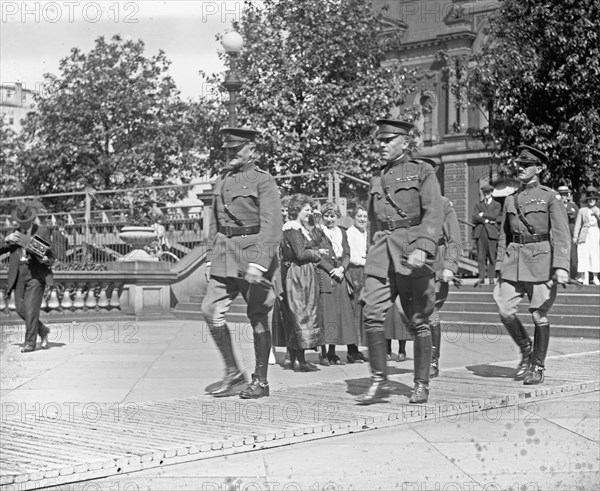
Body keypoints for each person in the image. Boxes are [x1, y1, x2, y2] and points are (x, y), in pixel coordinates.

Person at [357, 119, 443, 405]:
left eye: (387, 140)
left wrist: (423, 247)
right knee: (371, 311)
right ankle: (379, 379)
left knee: (420, 318)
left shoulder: (423, 170)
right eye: (379, 140)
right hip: (382, 251)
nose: (380, 145)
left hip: (412, 251)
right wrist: (371, 251)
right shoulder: (376, 176)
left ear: (404, 142)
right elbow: (373, 220)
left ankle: (421, 383)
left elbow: (433, 213)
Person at [201, 127, 283, 399]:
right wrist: (211, 258)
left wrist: (260, 263)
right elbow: (214, 223)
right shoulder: (222, 180)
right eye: (227, 150)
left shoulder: (264, 180)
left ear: (252, 150)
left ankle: (260, 381)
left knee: (258, 317)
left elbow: (272, 227)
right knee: (210, 310)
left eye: (237, 149)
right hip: (225, 253)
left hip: (252, 253)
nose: (231, 154)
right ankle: (234, 373)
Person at [493, 145, 571, 385]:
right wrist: (499, 265)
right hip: (513, 262)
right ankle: (526, 348)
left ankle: (537, 366)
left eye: (526, 165)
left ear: (539, 168)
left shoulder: (550, 196)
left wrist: (561, 266)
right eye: (519, 164)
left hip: (541, 262)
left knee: (538, 314)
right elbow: (504, 235)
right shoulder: (510, 200)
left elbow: (560, 232)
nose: (521, 168)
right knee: (504, 309)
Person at [419, 157, 463, 378]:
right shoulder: (408, 206)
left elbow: (454, 239)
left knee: (431, 313)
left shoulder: (444, 204)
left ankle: (432, 362)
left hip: (435, 265)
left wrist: (450, 266)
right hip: (411, 267)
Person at [277, 194, 325, 371]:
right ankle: (299, 360)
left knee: (300, 314)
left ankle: (295, 358)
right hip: (299, 275)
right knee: (301, 315)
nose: (309, 212)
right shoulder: (292, 228)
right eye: (307, 210)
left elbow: (315, 240)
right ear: (297, 210)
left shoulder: (299, 228)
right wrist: (316, 254)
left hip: (302, 274)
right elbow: (300, 254)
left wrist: (317, 222)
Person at [1, 202, 55, 352]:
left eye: (26, 222)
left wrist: (23, 240)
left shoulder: (42, 231)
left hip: (35, 275)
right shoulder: (14, 233)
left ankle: (29, 343)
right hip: (18, 275)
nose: (23, 225)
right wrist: (6, 240)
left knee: (31, 310)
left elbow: (49, 253)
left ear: (32, 220)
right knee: (20, 309)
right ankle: (42, 330)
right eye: (20, 223)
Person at [316, 202, 357, 366]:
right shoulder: (319, 233)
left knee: (339, 315)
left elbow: (347, 253)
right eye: (326, 216)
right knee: (327, 315)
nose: (329, 219)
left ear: (337, 216)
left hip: (340, 276)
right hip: (326, 276)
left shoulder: (342, 232)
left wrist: (341, 268)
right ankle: (323, 353)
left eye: (332, 216)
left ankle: (333, 352)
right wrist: (331, 269)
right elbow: (318, 256)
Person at [345, 204, 369, 363]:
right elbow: (351, 255)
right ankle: (351, 350)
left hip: (365, 273)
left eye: (364, 217)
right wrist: (367, 262)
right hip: (354, 272)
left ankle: (358, 349)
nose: (362, 219)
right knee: (353, 311)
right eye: (359, 216)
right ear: (354, 217)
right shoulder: (350, 233)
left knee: (363, 311)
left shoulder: (366, 233)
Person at [471, 184, 501, 287]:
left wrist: (482, 214)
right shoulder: (478, 205)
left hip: (491, 233)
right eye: (484, 193)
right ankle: (481, 277)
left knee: (492, 256)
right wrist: (486, 220)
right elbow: (474, 217)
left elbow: (494, 216)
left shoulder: (497, 205)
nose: (486, 194)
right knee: (480, 257)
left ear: (491, 193)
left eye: (488, 193)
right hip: (480, 233)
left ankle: (491, 278)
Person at [573, 188, 600, 285]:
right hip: (585, 233)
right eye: (589, 199)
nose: (591, 201)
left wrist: (597, 215)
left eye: (593, 199)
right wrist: (575, 236)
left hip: (595, 233)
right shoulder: (582, 210)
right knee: (583, 254)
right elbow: (578, 224)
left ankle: (595, 277)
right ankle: (585, 277)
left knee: (595, 254)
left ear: (596, 200)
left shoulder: (598, 210)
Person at [558, 185, 579, 277]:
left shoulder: (573, 205)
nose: (563, 197)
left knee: (573, 254)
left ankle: (573, 274)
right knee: (562, 252)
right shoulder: (556, 205)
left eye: (565, 194)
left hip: (571, 231)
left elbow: (578, 216)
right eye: (561, 195)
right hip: (561, 231)